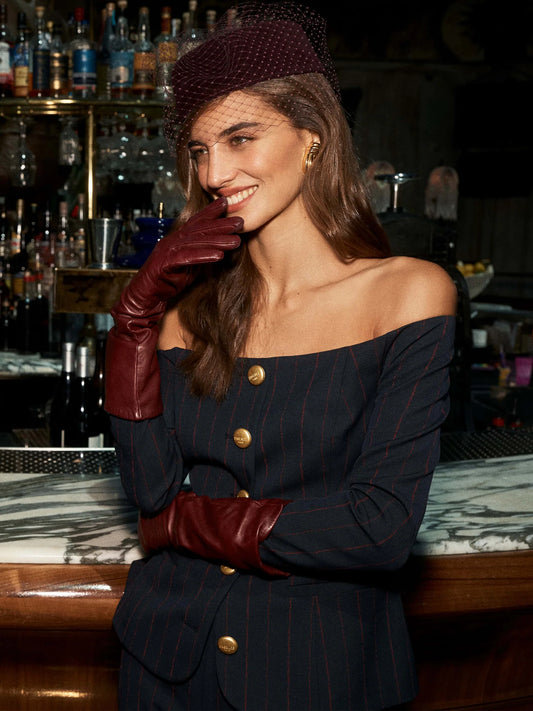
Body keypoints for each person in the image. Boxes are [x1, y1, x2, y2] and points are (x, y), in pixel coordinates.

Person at [105, 2, 457, 709]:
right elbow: (149, 489)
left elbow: (379, 528)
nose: (214, 172)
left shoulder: (408, 293)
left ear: (312, 136)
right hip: (166, 668)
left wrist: (183, 523)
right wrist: (132, 324)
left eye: (240, 138)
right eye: (199, 150)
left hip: (320, 671)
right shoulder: (185, 311)